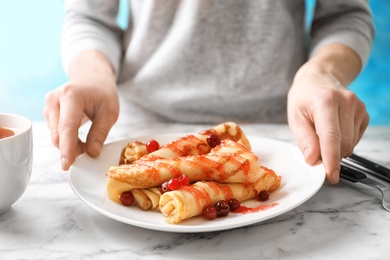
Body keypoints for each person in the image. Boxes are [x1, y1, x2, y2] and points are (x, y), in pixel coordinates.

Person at [44, 0, 374, 184]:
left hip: (285, 140)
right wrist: (93, 75)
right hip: (139, 133)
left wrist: (320, 73)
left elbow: (345, 14)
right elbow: (89, 16)